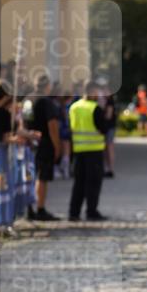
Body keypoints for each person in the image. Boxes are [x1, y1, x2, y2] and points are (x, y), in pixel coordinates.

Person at [68, 79, 113, 221]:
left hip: (78, 150)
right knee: (93, 183)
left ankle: (73, 213)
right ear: (92, 91)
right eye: (96, 91)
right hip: (94, 150)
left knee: (79, 183)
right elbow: (104, 128)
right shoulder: (94, 108)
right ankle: (91, 211)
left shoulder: (74, 107)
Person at [32, 75, 62, 221]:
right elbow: (52, 126)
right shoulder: (47, 102)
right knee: (42, 177)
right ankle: (40, 208)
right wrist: (57, 146)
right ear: (47, 86)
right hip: (44, 143)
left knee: (30, 177)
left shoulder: (29, 99)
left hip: (30, 142)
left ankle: (31, 208)